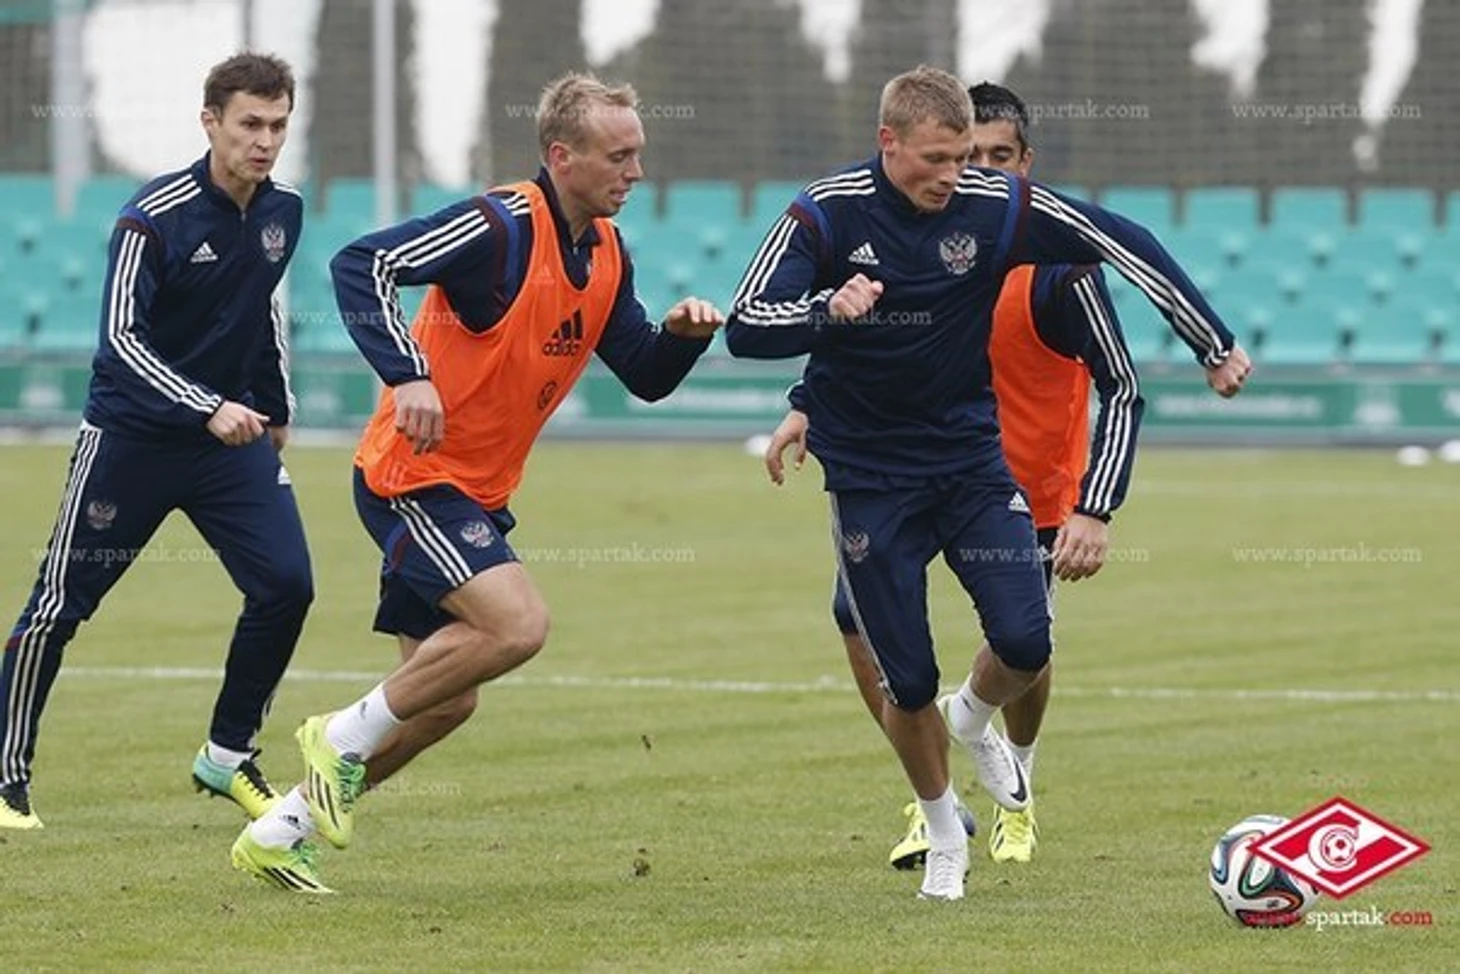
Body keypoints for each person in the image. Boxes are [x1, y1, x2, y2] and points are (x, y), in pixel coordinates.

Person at [726, 66, 1250, 902]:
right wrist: (827, 313)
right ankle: (943, 833)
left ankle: (970, 716)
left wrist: (1211, 343)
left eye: (966, 155)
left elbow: (1120, 238)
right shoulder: (824, 211)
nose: (955, 175)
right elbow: (746, 323)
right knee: (904, 678)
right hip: (869, 479)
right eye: (937, 158)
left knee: (1027, 641)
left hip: (970, 464)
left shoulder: (993, 208)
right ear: (888, 142)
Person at [229, 72, 724, 894]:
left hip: (475, 493)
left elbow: (644, 374)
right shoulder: (498, 226)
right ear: (561, 157)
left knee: (444, 701)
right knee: (518, 625)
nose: (635, 172)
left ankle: (280, 832)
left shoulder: (607, 253)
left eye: (638, 153)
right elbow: (363, 263)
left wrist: (681, 337)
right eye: (618, 156)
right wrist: (408, 373)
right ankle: (338, 735)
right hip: (412, 476)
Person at [0, 53, 310, 831]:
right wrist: (206, 405)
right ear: (210, 122)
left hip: (226, 445)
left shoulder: (285, 211)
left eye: (278, 125)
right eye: (249, 124)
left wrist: (274, 407)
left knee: (286, 585)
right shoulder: (151, 217)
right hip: (131, 442)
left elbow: (261, 309)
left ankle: (228, 755)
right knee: (58, 608)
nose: (265, 141)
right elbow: (119, 342)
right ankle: (4, 777)